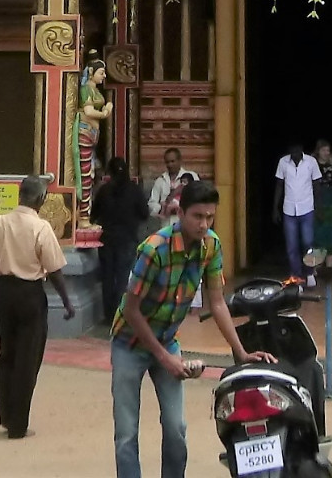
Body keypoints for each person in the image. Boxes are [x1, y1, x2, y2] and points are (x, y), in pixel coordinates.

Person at [112, 180, 270, 478]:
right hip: (129, 343)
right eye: (197, 216)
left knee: (176, 427)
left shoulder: (211, 245)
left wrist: (241, 352)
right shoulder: (153, 249)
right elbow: (131, 311)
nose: (204, 224)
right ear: (180, 213)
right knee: (126, 432)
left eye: (210, 217)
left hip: (168, 339)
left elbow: (217, 302)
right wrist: (165, 358)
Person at [0, 175, 77, 439]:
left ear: (19, 195)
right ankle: (18, 424)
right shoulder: (42, 228)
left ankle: (7, 415)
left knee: (7, 352)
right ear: (41, 199)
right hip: (30, 294)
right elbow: (54, 271)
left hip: (4, 293)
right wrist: (67, 301)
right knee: (28, 357)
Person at [91, 157, 152, 325]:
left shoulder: (104, 191)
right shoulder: (134, 190)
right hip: (127, 239)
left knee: (108, 277)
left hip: (107, 239)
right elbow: (144, 213)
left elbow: (93, 215)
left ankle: (109, 314)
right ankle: (122, 313)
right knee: (123, 277)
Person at [274, 141, 318, 282]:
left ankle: (310, 273)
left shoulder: (311, 162)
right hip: (289, 210)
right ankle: (296, 276)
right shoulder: (283, 162)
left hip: (307, 208)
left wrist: (319, 207)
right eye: (292, 149)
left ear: (301, 149)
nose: (294, 152)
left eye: (297, 149)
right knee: (291, 246)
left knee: (308, 243)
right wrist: (275, 208)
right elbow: (279, 185)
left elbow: (317, 185)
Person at [310, 139, 332, 286]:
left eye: (328, 150)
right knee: (317, 239)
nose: (326, 153)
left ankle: (329, 271)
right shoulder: (312, 165)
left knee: (331, 237)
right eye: (324, 150)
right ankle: (315, 270)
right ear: (318, 150)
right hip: (317, 204)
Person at [147, 147, 196, 224]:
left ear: (180, 161)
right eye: (167, 162)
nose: (170, 165)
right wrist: (163, 209)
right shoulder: (160, 180)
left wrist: (180, 209)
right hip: (166, 225)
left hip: (185, 224)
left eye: (172, 161)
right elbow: (151, 203)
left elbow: (198, 198)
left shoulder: (191, 176)